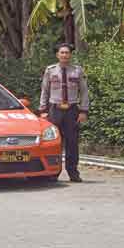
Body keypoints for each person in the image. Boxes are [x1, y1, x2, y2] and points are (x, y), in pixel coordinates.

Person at [39, 43, 89, 182]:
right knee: (54, 143)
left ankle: (73, 172)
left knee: (72, 143)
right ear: (57, 55)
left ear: (70, 55)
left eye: (67, 53)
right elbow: (45, 91)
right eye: (62, 53)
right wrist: (43, 111)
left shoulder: (77, 71)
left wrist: (83, 111)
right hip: (54, 110)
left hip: (72, 110)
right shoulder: (50, 71)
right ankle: (53, 172)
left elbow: (84, 92)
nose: (65, 55)